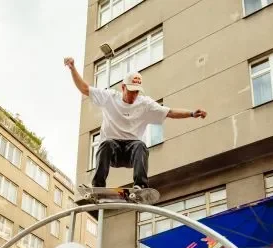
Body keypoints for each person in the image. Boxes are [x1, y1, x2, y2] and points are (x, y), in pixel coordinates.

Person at [63, 58, 206, 196]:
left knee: (140, 145)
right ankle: (98, 186)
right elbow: (85, 89)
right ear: (123, 87)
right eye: (130, 91)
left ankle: (140, 187)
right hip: (112, 152)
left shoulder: (145, 104)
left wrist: (192, 113)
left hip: (132, 153)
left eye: (136, 92)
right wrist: (72, 68)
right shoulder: (109, 97)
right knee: (106, 143)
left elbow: (170, 112)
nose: (133, 95)